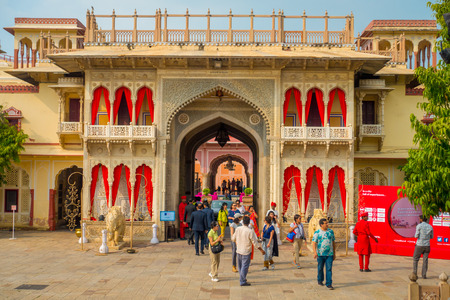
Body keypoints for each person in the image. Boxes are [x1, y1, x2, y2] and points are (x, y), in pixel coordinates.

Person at [231, 216, 265, 286]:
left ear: (242, 222)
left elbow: (233, 238)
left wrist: (237, 241)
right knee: (244, 266)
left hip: (239, 250)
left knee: (240, 266)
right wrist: (261, 250)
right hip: (246, 251)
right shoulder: (250, 231)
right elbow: (255, 243)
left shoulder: (238, 229)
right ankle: (242, 281)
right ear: (249, 223)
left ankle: (242, 278)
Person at [312, 218, 336, 290]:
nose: (327, 224)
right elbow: (314, 243)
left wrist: (334, 253)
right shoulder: (317, 233)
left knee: (329, 269)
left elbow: (333, 242)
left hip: (329, 254)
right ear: (321, 225)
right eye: (325, 223)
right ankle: (320, 280)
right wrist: (315, 252)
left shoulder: (331, 232)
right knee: (320, 268)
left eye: (327, 223)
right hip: (320, 254)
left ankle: (329, 283)